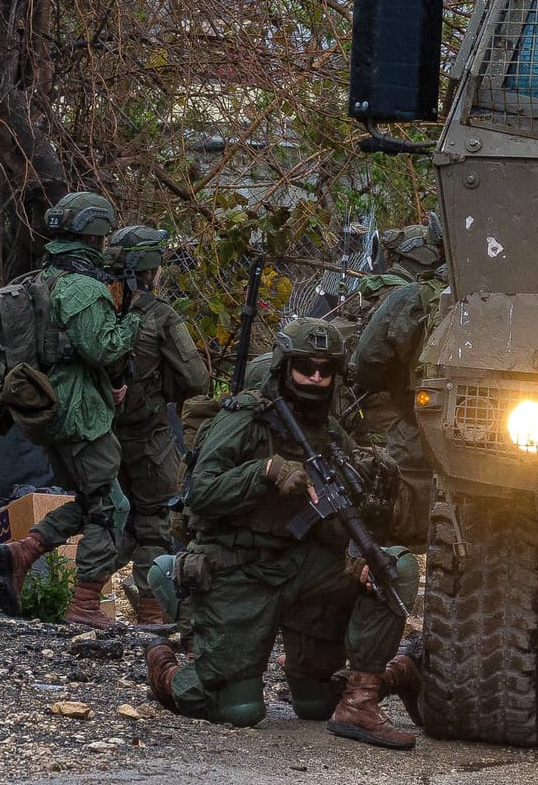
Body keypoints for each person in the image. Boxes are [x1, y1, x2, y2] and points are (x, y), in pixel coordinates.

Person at [146, 317, 421, 749]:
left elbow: (345, 516)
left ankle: (361, 701)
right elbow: (200, 493)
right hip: (242, 569)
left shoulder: (331, 435)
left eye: (324, 369)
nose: (314, 377)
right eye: (304, 367)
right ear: (283, 366)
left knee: (392, 568)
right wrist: (265, 471)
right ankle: (167, 669)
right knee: (239, 711)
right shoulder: (246, 420)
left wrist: (359, 548)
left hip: (302, 569)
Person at [0, 191, 147, 628]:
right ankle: (84, 605)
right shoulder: (83, 286)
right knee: (111, 508)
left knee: (94, 500)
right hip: (79, 411)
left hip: (49, 406)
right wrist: (133, 317)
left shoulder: (45, 277)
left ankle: (25, 552)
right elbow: (102, 346)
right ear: (96, 233)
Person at [105, 225, 211, 624]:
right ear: (151, 270)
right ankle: (151, 611)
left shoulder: (96, 309)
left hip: (99, 437)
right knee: (155, 521)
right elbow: (198, 381)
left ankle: (78, 593)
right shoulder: (160, 316)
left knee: (109, 517)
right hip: (150, 436)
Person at [345, 222, 447, 546]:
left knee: (395, 495)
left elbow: (367, 362)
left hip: (419, 426)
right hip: (506, 439)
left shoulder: (413, 297)